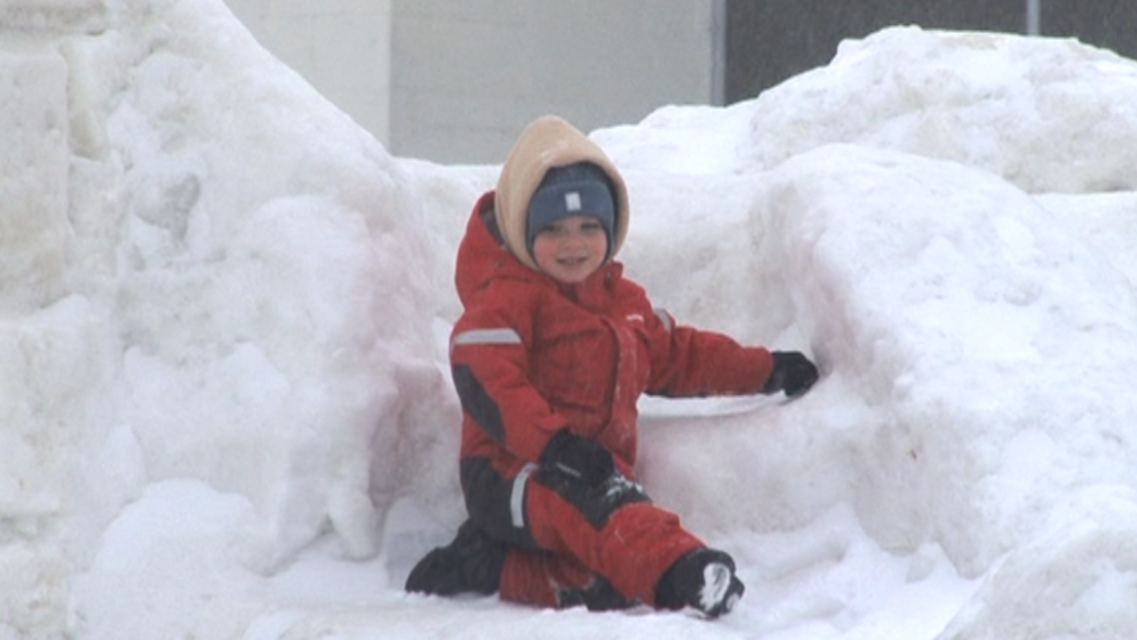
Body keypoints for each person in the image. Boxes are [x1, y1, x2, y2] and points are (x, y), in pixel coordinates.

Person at [405, 115, 819, 617]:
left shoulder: (623, 305)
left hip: (588, 471)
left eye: (587, 227)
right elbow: (489, 380)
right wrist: (555, 445)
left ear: (611, 229)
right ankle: (686, 571)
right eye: (553, 229)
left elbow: (684, 356)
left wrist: (765, 369)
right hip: (510, 474)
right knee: (602, 508)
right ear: (522, 232)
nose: (573, 243)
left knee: (616, 574)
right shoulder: (505, 301)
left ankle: (489, 565)